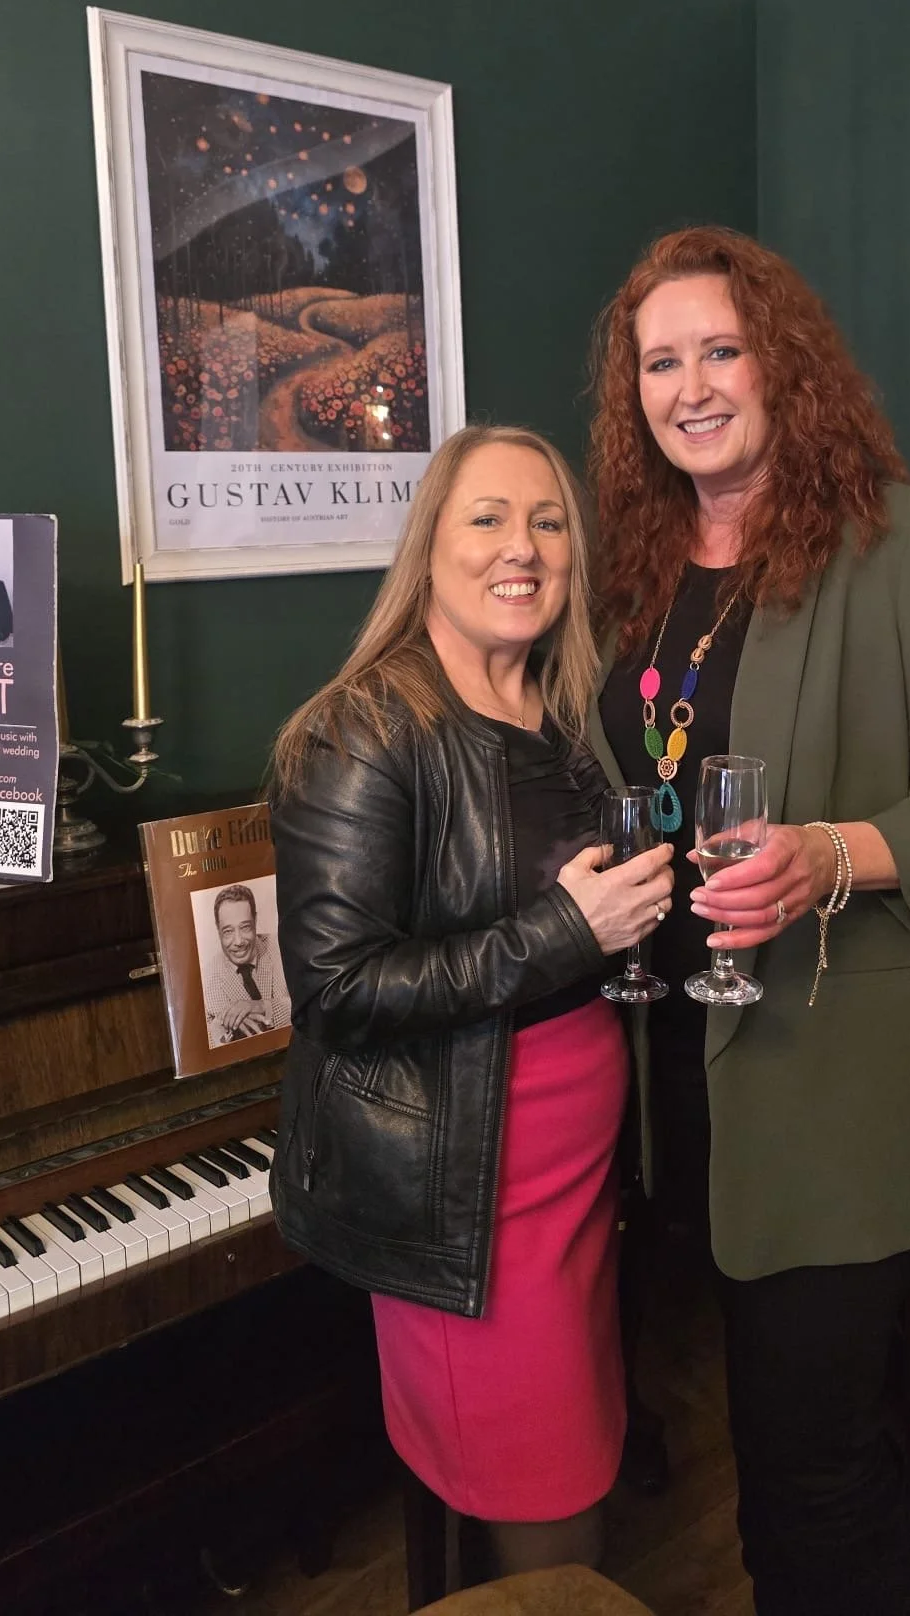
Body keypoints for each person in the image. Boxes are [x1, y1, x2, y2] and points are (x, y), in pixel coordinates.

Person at [586, 227, 910, 1615]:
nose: (691, 387)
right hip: (680, 1080)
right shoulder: (635, 567)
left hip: (837, 1095)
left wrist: (826, 858)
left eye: (721, 350)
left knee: (812, 1475)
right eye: (660, 362)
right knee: (772, 1440)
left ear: (784, 364)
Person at [268, 424, 674, 1578]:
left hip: (576, 1174)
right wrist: (569, 930)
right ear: (430, 546)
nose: (522, 547)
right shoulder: (362, 729)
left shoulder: (564, 715)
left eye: (547, 521)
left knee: (572, 1450)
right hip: (468, 1195)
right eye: (487, 517)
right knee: (551, 1496)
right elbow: (339, 988)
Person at [202, 882, 291, 1044]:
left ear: (255, 920)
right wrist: (225, 1024)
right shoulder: (205, 981)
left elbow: (311, 1006)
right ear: (218, 929)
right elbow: (206, 1041)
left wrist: (263, 1006)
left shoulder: (282, 947)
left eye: (245, 927)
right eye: (228, 931)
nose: (238, 941)